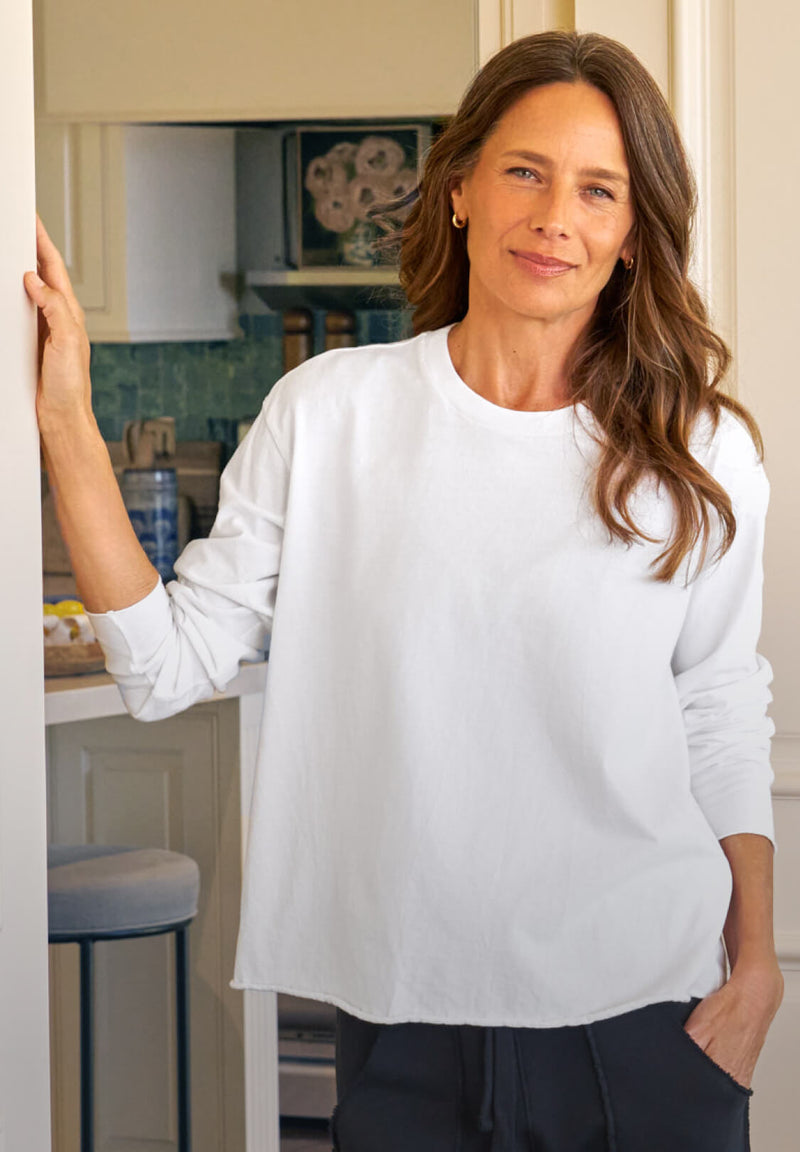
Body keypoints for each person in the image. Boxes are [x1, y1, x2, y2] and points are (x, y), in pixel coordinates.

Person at [26, 28, 783, 1152]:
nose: (554, 217)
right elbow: (164, 669)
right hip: (404, 1020)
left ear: (632, 235)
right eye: (524, 171)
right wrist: (66, 424)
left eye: (598, 191)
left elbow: (718, 708)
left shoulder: (698, 448)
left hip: (645, 1014)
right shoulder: (328, 412)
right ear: (460, 187)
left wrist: (756, 965)